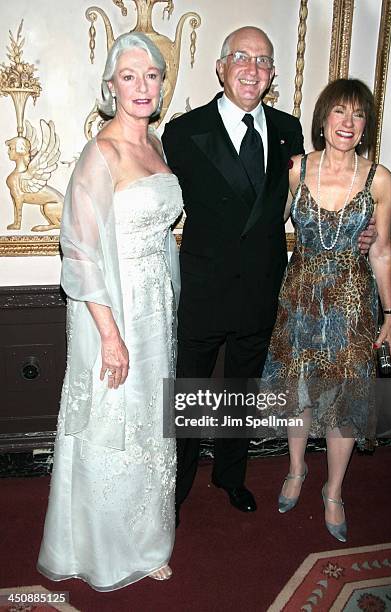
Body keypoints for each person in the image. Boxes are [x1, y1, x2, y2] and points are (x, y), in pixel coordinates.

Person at [163, 26, 374, 522]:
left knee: (242, 391)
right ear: (221, 67)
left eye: (262, 60)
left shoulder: (287, 129)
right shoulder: (183, 131)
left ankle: (231, 477)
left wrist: (360, 232)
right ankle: (176, 487)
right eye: (241, 57)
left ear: (273, 73)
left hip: (263, 290)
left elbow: (306, 203)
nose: (252, 68)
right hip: (204, 288)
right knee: (191, 393)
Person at [37, 32, 182, 589]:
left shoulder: (157, 146)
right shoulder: (102, 151)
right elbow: (78, 250)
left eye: (151, 75)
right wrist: (112, 337)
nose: (142, 86)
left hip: (154, 311)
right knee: (110, 426)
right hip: (111, 314)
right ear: (111, 85)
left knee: (149, 426)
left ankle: (147, 542)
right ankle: (102, 550)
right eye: (130, 75)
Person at [261, 78, 391, 542]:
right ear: (323, 119)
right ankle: (297, 469)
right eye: (340, 112)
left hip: (353, 304)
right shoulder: (298, 170)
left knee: (346, 403)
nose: (348, 122)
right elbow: (266, 223)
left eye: (358, 115)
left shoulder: (379, 178)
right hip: (298, 298)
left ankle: (334, 490)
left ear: (366, 127)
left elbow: (380, 251)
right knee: (298, 393)